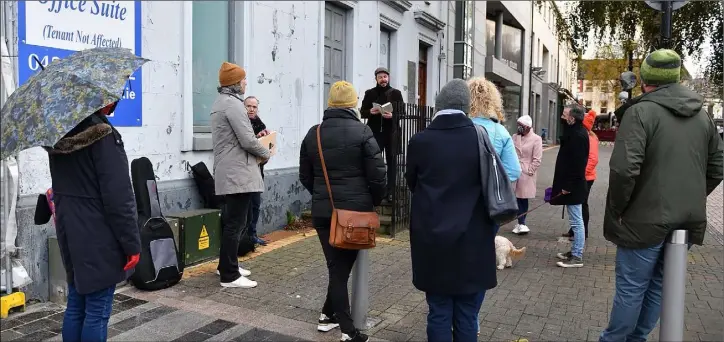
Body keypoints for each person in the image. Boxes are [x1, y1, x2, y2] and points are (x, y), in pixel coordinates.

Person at [600, 49, 723, 342]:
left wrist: (619, 208)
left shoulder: (640, 112)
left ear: (645, 79)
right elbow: (717, 168)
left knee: (632, 286)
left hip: (642, 220)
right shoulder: (703, 116)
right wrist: (691, 197)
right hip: (685, 221)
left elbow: (623, 170)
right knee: (659, 285)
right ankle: (638, 338)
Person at [406, 79, 496, 341]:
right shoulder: (480, 139)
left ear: (438, 105)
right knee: (468, 314)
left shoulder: (420, 141)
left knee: (438, 310)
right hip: (474, 238)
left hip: (432, 238)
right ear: (466, 107)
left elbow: (412, 183)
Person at [46, 101, 141, 341]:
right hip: (98, 233)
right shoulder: (103, 136)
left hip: (70, 228)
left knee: (76, 303)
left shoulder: (59, 133)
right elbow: (119, 198)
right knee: (97, 311)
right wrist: (132, 245)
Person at [299, 81, 386, 342]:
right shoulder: (362, 132)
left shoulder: (313, 133)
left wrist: (322, 197)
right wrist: (370, 202)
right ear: (352, 104)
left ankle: (328, 316)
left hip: (324, 213)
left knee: (337, 267)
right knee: (339, 270)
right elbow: (379, 176)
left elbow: (305, 176)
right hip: (355, 216)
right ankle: (349, 331)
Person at [211, 62, 271, 288]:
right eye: (243, 79)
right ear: (235, 83)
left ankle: (227, 265)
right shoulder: (233, 105)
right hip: (237, 172)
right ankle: (229, 275)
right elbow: (247, 140)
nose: (246, 82)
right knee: (236, 223)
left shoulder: (222, 102)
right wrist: (266, 151)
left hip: (230, 170)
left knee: (232, 222)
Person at [467, 76, 521, 235]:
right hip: (488, 201)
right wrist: (493, 182)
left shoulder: (459, 126)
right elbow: (514, 170)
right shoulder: (500, 131)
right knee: (485, 246)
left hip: (459, 199)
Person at [550, 103, 589, 268]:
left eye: (565, 114)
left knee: (576, 221)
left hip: (574, 186)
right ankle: (574, 252)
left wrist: (568, 186)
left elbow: (578, 165)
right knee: (575, 220)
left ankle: (577, 256)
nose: (562, 117)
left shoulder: (578, 136)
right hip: (572, 184)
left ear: (572, 118)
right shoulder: (574, 132)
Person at [360, 67, 404, 199]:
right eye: (380, 77)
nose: (383, 79)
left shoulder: (396, 93)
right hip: (374, 132)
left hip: (392, 132)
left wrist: (393, 115)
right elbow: (362, 112)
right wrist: (370, 112)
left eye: (385, 77)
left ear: (388, 78)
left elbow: (403, 113)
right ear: (376, 79)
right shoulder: (370, 93)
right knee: (374, 161)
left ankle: (390, 191)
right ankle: (376, 189)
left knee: (392, 162)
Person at [565, 110, 599, 240]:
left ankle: (582, 232)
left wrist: (581, 173)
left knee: (582, 203)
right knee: (578, 202)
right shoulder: (587, 136)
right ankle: (574, 230)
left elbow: (593, 159)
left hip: (586, 177)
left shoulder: (590, 138)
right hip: (584, 176)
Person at [244, 95, 270, 246]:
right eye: (249, 106)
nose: (251, 109)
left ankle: (252, 235)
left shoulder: (261, 124)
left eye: (254, 107)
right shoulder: (241, 123)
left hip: (258, 172)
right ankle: (245, 237)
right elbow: (246, 143)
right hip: (244, 173)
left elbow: (265, 151)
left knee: (255, 205)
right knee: (245, 208)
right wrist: (256, 138)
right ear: (244, 107)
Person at [512, 114, 543, 235]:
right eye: (517, 125)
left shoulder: (536, 139)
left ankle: (522, 223)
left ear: (527, 127)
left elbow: (537, 159)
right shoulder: (514, 137)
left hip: (525, 172)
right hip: (514, 170)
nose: (518, 128)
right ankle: (520, 222)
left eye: (521, 126)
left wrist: (529, 171)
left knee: (522, 198)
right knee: (515, 198)